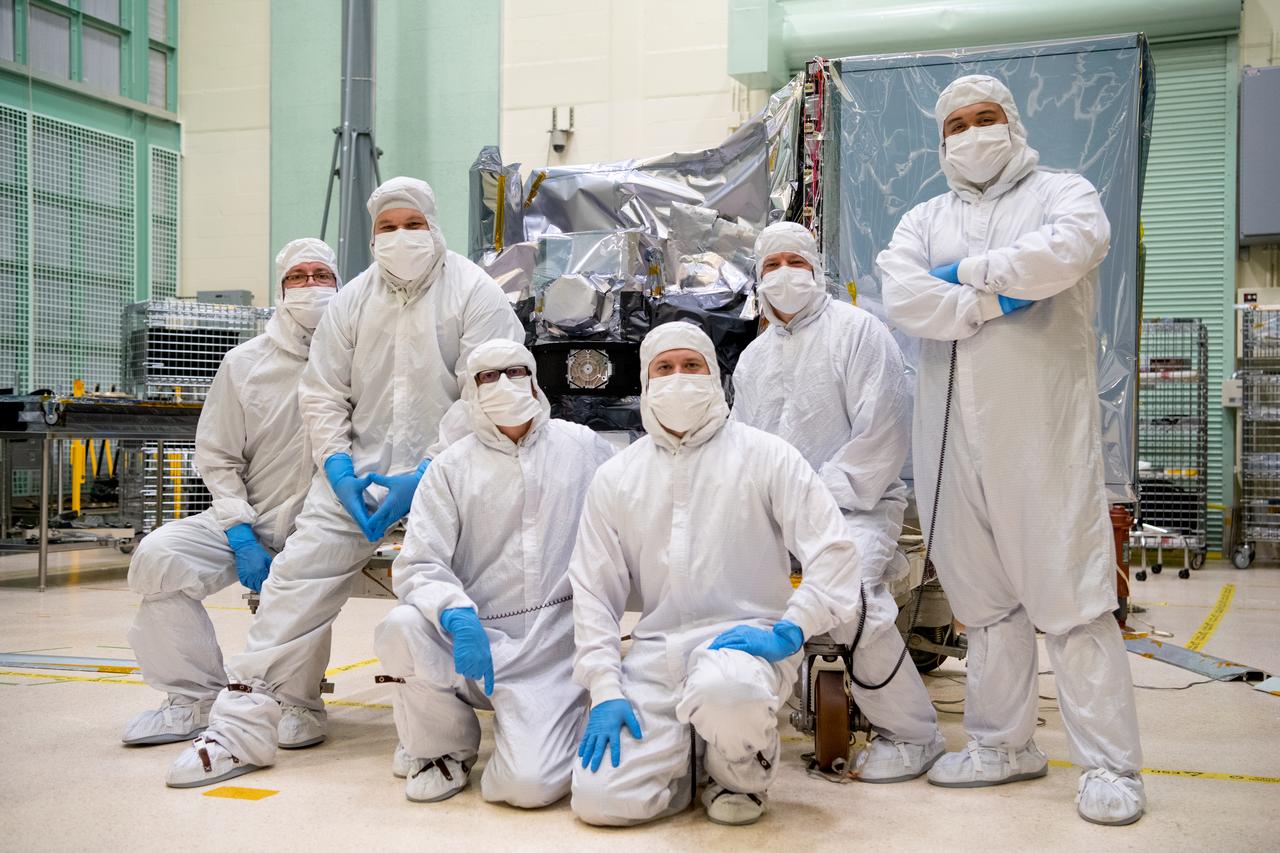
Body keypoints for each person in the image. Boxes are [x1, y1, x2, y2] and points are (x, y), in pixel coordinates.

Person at [166, 176, 524, 788]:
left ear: (435, 227)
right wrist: (336, 466)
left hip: (454, 473)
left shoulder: (476, 294)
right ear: (372, 236)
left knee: (466, 599)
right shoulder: (353, 300)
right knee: (290, 590)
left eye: (412, 224)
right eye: (387, 228)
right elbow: (323, 391)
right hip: (355, 477)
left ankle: (458, 733)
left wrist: (424, 472)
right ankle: (238, 729)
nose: (400, 237)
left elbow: (487, 389)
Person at [877, 74, 1145, 826]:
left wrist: (960, 278)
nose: (970, 133)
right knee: (985, 604)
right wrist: (997, 296)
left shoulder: (1064, 191)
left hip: (1040, 439)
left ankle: (1110, 764)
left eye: (983, 118)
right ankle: (1002, 744)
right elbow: (902, 295)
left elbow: (1069, 251)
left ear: (1012, 121)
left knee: (1072, 599)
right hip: (950, 443)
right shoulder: (924, 216)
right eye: (955, 124)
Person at [568, 321, 863, 827]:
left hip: (742, 648)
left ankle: (739, 774)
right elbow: (594, 591)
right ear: (645, 381)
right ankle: (686, 759)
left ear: (715, 377)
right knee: (602, 804)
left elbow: (834, 551)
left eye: (691, 366)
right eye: (664, 368)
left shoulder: (766, 456)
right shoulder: (618, 476)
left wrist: (791, 629)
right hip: (657, 654)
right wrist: (605, 689)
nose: (678, 378)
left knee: (729, 694)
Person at [731, 221, 945, 782]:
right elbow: (741, 449)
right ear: (757, 279)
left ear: (817, 270)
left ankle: (914, 734)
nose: (783, 276)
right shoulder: (752, 359)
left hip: (857, 508)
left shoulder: (858, 333)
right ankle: (730, 726)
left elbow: (881, 437)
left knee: (855, 606)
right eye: (771, 265)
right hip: (772, 520)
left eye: (794, 263)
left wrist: (808, 503)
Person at [374, 339, 616, 807]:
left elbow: (628, 517)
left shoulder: (582, 448)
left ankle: (553, 720)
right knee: (400, 628)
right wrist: (457, 616)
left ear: (535, 380)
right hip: (475, 640)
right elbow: (419, 562)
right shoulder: (450, 467)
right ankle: (441, 747)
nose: (504, 384)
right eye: (487, 376)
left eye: (515, 372)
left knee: (529, 787)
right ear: (470, 391)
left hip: (552, 654)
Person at [122, 238, 339, 747]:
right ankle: (194, 699)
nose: (310, 286)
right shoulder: (246, 363)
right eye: (298, 277)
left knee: (297, 587)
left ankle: (297, 699)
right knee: (160, 557)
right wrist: (240, 531)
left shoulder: (362, 357)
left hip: (329, 522)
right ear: (281, 290)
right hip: (251, 514)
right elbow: (217, 455)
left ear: (340, 285)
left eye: (321, 276)